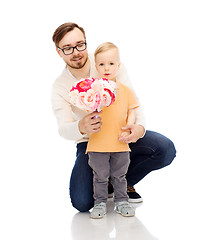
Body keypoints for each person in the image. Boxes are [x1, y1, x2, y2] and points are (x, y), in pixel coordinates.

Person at [51, 22, 176, 212]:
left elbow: (132, 99)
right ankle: (104, 180)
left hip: (120, 135)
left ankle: (119, 182)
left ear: (86, 42)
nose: (76, 52)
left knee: (164, 149)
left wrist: (139, 127)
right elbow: (63, 128)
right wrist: (81, 126)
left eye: (80, 44)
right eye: (68, 48)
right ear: (59, 52)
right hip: (90, 142)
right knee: (82, 202)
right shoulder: (60, 86)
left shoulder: (106, 61)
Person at [87, 42, 138, 218]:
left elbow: (132, 109)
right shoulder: (92, 90)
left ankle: (121, 201)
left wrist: (129, 126)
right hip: (98, 143)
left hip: (120, 141)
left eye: (111, 63)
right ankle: (100, 203)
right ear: (96, 66)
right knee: (100, 176)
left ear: (118, 65)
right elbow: (87, 110)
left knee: (119, 176)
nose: (106, 68)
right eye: (101, 64)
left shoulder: (125, 90)